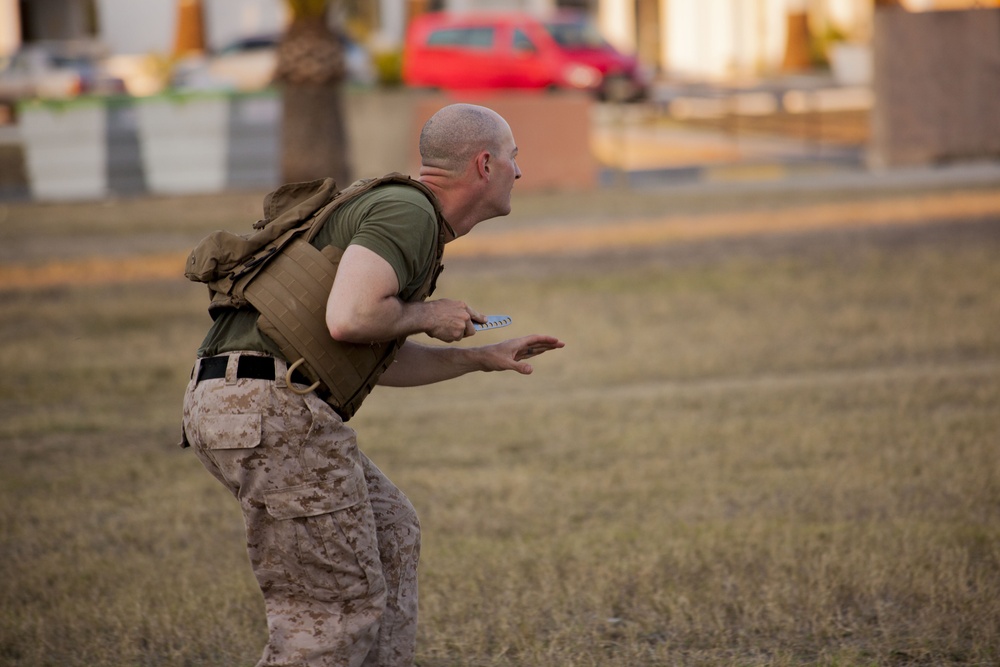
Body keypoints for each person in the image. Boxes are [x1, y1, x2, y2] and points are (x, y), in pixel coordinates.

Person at [181, 103, 564, 667]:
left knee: (391, 531)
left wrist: (484, 358)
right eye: (514, 158)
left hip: (251, 402)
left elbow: (369, 353)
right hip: (269, 407)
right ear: (484, 164)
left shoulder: (405, 213)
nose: (520, 172)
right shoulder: (410, 212)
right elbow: (351, 317)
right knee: (330, 619)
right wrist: (427, 314)